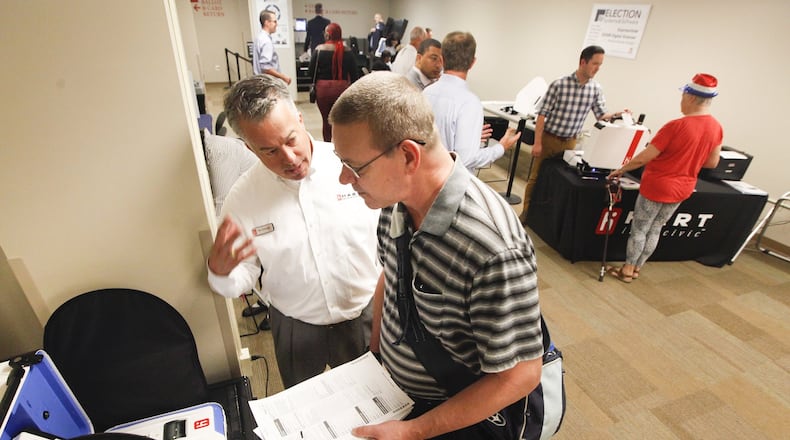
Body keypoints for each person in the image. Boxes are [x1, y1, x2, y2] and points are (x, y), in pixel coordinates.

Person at [329, 72, 544, 439]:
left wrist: (413, 431)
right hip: (399, 397)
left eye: (355, 166)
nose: (343, 180)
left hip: (453, 413)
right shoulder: (395, 201)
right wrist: (377, 358)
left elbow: (520, 375)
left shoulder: (492, 247)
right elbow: (391, 277)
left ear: (408, 156)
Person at [206, 74, 379, 388]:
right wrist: (221, 275)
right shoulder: (242, 200)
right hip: (294, 326)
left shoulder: (353, 165)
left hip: (365, 316)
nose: (288, 158)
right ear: (249, 147)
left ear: (300, 119)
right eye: (269, 151)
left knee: (373, 401)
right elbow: (242, 274)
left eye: (290, 139)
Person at [606, 73, 723, 282]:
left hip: (658, 185)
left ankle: (627, 269)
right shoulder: (716, 128)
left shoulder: (676, 126)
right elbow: (712, 163)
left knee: (640, 228)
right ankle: (637, 268)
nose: (681, 100)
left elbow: (645, 157)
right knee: (656, 227)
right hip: (683, 188)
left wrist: (620, 170)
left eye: (683, 96)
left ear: (691, 97)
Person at [519, 45, 625, 221]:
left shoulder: (595, 89)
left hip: (570, 142)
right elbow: (542, 115)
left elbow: (601, 115)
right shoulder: (560, 84)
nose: (597, 68)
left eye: (600, 65)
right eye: (595, 64)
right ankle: (526, 213)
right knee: (536, 177)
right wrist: (537, 142)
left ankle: (544, 216)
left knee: (559, 180)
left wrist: (616, 115)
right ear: (583, 62)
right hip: (549, 139)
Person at [423, 32, 520, 173]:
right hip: (449, 185)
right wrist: (501, 147)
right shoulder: (470, 103)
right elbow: (466, 159)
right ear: (473, 62)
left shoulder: (426, 93)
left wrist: (469, 137)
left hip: (425, 176)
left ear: (442, 59)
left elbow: (433, 136)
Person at [308, 22, 359, 141]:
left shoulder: (319, 50)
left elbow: (311, 72)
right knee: (341, 120)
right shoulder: (347, 51)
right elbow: (354, 74)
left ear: (329, 35)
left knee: (326, 121)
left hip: (323, 90)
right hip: (342, 90)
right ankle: (341, 145)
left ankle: (327, 145)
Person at [252, 10, 291, 85]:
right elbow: (265, 67)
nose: (276, 24)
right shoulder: (266, 41)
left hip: (260, 81)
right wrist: (283, 77)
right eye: (274, 21)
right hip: (267, 82)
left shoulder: (259, 37)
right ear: (267, 22)